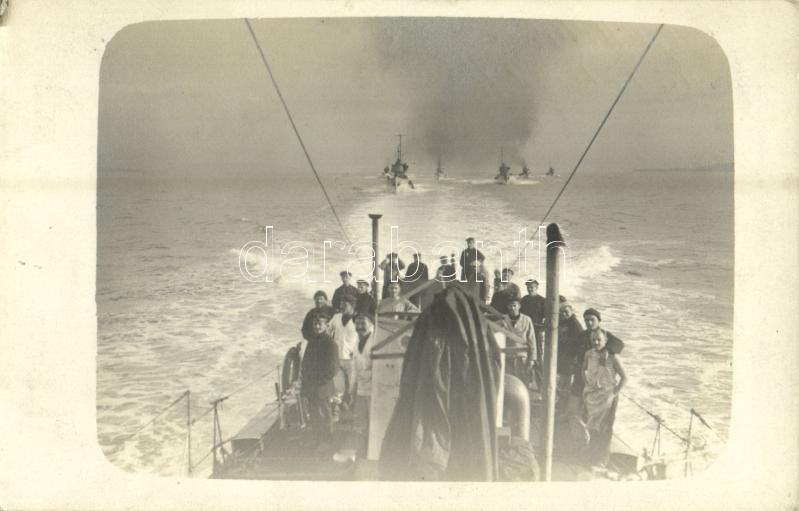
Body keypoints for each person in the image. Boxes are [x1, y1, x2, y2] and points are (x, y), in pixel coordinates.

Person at [580, 328, 627, 468]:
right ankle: (592, 454)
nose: (596, 342)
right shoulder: (589, 354)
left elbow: (624, 378)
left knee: (605, 428)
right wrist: (587, 383)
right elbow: (583, 370)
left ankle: (602, 460)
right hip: (593, 395)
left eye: (599, 340)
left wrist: (614, 393)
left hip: (608, 398)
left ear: (605, 341)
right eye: (593, 339)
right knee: (592, 426)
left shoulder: (613, 357)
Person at [300, 311, 339, 451]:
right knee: (314, 414)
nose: (317, 326)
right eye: (315, 324)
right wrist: (305, 382)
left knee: (324, 414)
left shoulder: (331, 344)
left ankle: (327, 441)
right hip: (310, 387)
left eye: (320, 324)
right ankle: (316, 439)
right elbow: (305, 364)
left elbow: (333, 369)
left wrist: (318, 382)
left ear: (326, 326)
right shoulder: (312, 342)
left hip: (322, 387)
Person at [329, 297, 359, 414]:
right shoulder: (336, 318)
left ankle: (353, 408)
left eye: (345, 305)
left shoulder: (358, 319)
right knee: (338, 386)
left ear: (352, 306)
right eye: (341, 304)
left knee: (352, 385)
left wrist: (357, 350)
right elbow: (327, 329)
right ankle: (337, 408)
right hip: (337, 357)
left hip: (352, 359)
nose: (341, 307)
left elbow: (367, 335)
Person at [556, 298, 585, 410]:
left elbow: (579, 345)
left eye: (566, 311)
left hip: (570, 359)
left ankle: (563, 406)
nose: (563, 314)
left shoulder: (575, 326)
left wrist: (574, 360)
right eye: (561, 312)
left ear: (571, 311)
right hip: (563, 356)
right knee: (561, 382)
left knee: (565, 383)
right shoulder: (563, 322)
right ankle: (561, 403)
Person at [352, 313, 375, 437]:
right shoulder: (356, 342)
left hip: (374, 390)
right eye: (357, 323)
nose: (360, 326)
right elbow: (354, 369)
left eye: (363, 323)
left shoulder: (375, 341)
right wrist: (352, 388)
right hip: (361, 389)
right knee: (360, 422)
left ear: (371, 324)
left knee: (374, 422)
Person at [505, 298, 537, 382]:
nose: (512, 308)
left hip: (522, 357)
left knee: (522, 381)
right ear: (507, 307)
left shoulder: (527, 320)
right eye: (510, 306)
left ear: (519, 306)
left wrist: (532, 359)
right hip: (507, 357)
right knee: (509, 381)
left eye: (514, 305)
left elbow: (531, 340)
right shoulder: (503, 319)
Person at [520, 279, 546, 363]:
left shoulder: (542, 300)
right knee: (525, 348)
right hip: (525, 328)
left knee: (537, 349)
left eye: (531, 287)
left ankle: (539, 368)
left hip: (536, 328)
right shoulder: (524, 299)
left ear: (536, 288)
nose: (529, 289)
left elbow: (546, 316)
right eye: (528, 287)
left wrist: (543, 327)